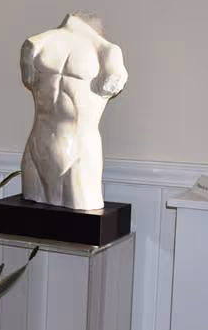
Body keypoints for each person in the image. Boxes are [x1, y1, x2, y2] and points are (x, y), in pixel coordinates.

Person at [20, 12, 127, 210]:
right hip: (41, 150)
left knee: (83, 231)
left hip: (74, 153)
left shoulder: (35, 44)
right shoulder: (33, 46)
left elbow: (113, 83)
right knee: (35, 230)